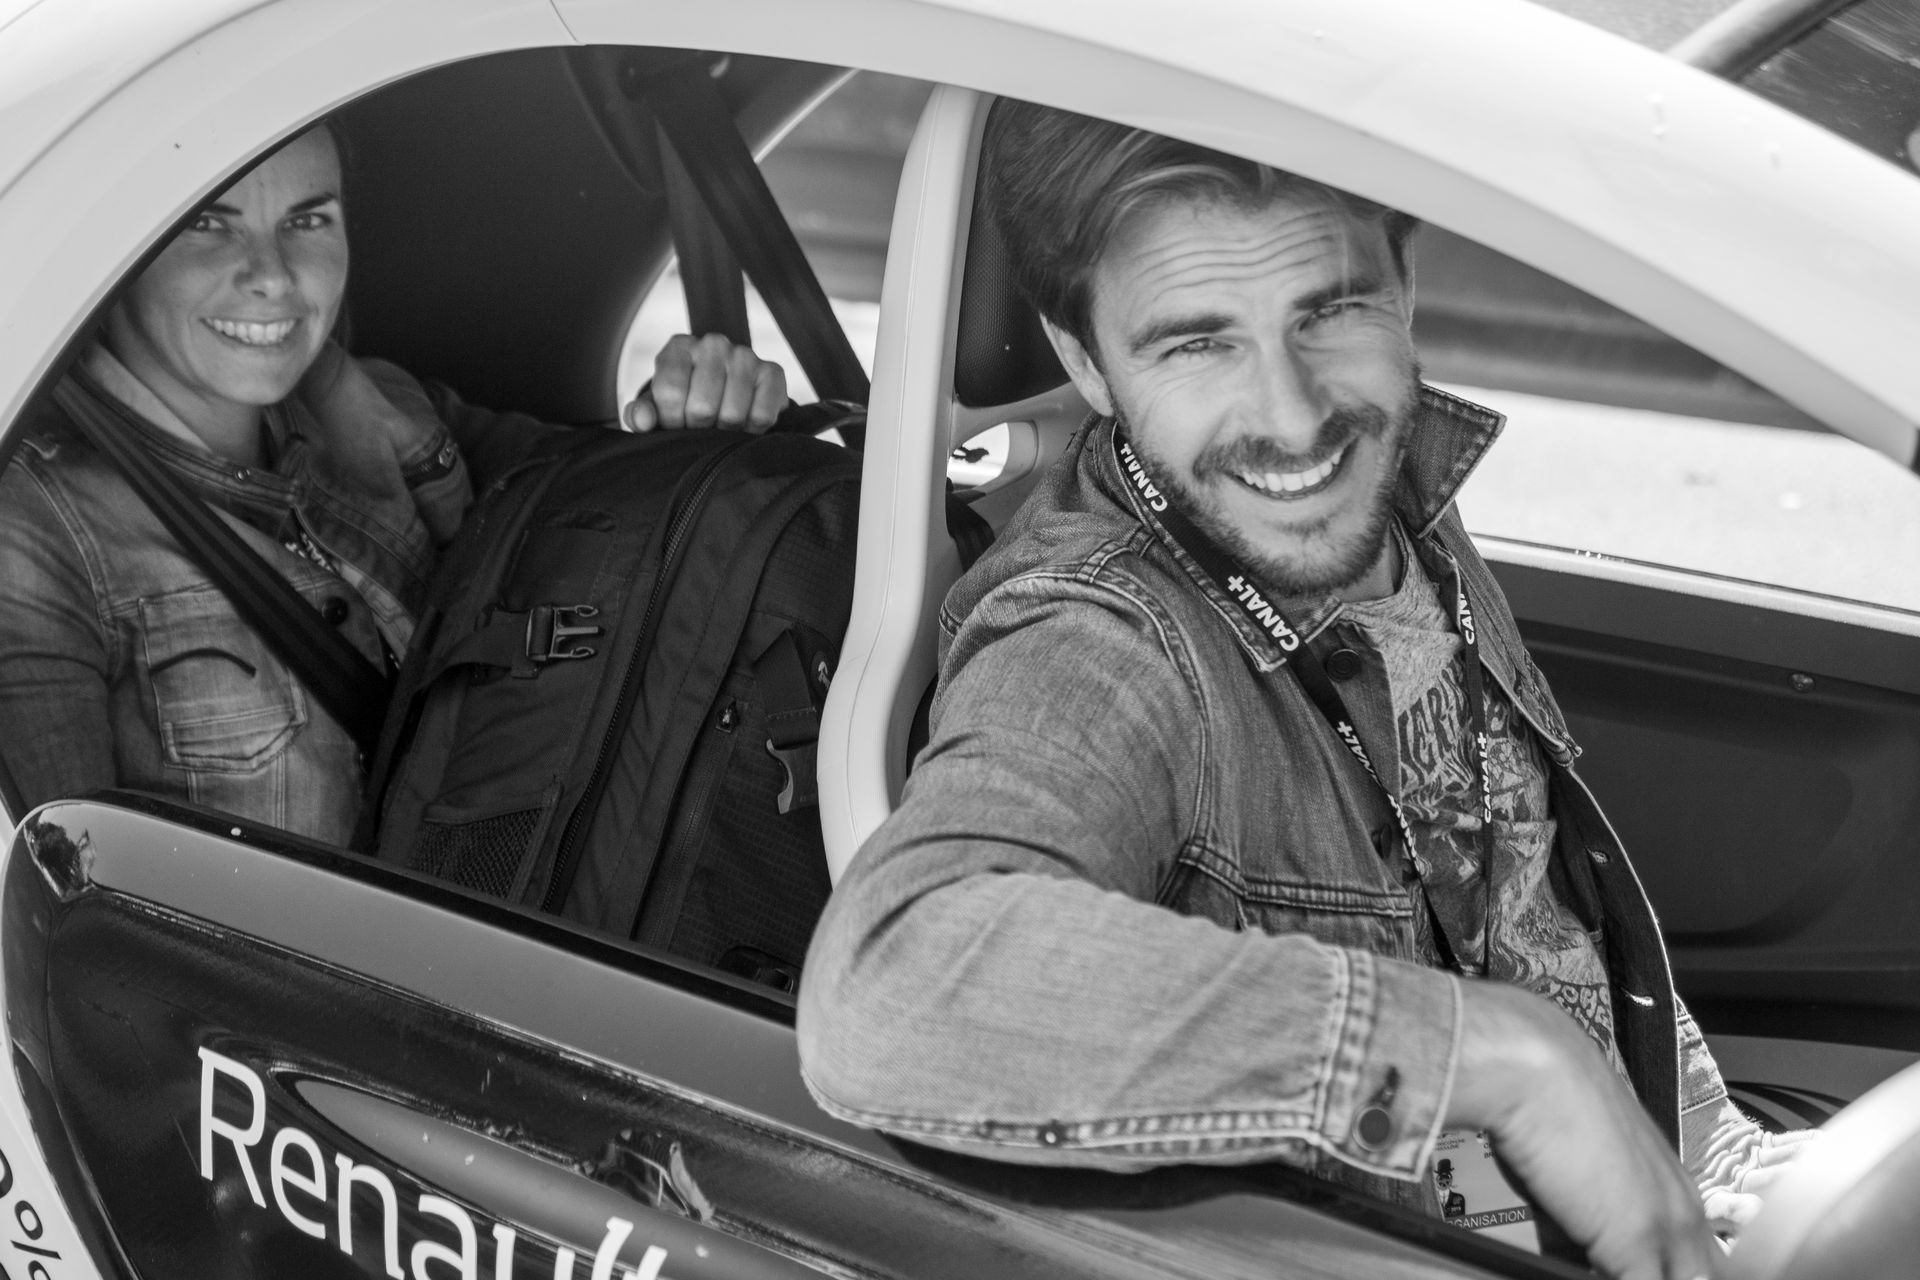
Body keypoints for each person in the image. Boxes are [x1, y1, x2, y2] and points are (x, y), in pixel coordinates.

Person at [797, 101, 1806, 1280]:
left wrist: (1709, 1146)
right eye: (1196, 343)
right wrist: (1500, 1060)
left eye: (1328, 311)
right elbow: (894, 983)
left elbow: (1521, 888)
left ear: (1405, 284)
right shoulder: (1101, 635)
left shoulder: (1378, 482)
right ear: (1082, 361)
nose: (1294, 418)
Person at [0, 123, 785, 845]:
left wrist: (685, 416)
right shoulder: (32, 537)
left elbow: (603, 511)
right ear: (119, 249)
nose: (273, 275)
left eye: (309, 219)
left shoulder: (380, 405)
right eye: (207, 222)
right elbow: (55, 899)